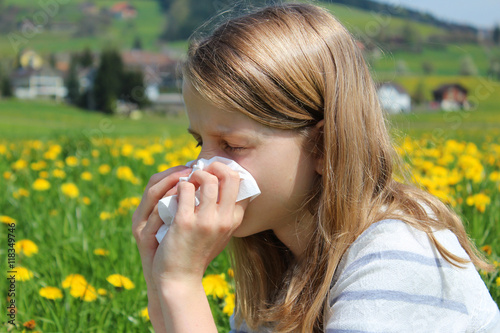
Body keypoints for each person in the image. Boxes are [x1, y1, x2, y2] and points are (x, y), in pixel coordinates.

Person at [132, 3, 500, 332]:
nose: (201, 169)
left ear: (323, 146)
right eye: (200, 143)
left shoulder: (396, 257)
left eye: (233, 145)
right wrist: (160, 277)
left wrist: (181, 285)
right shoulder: (280, 269)